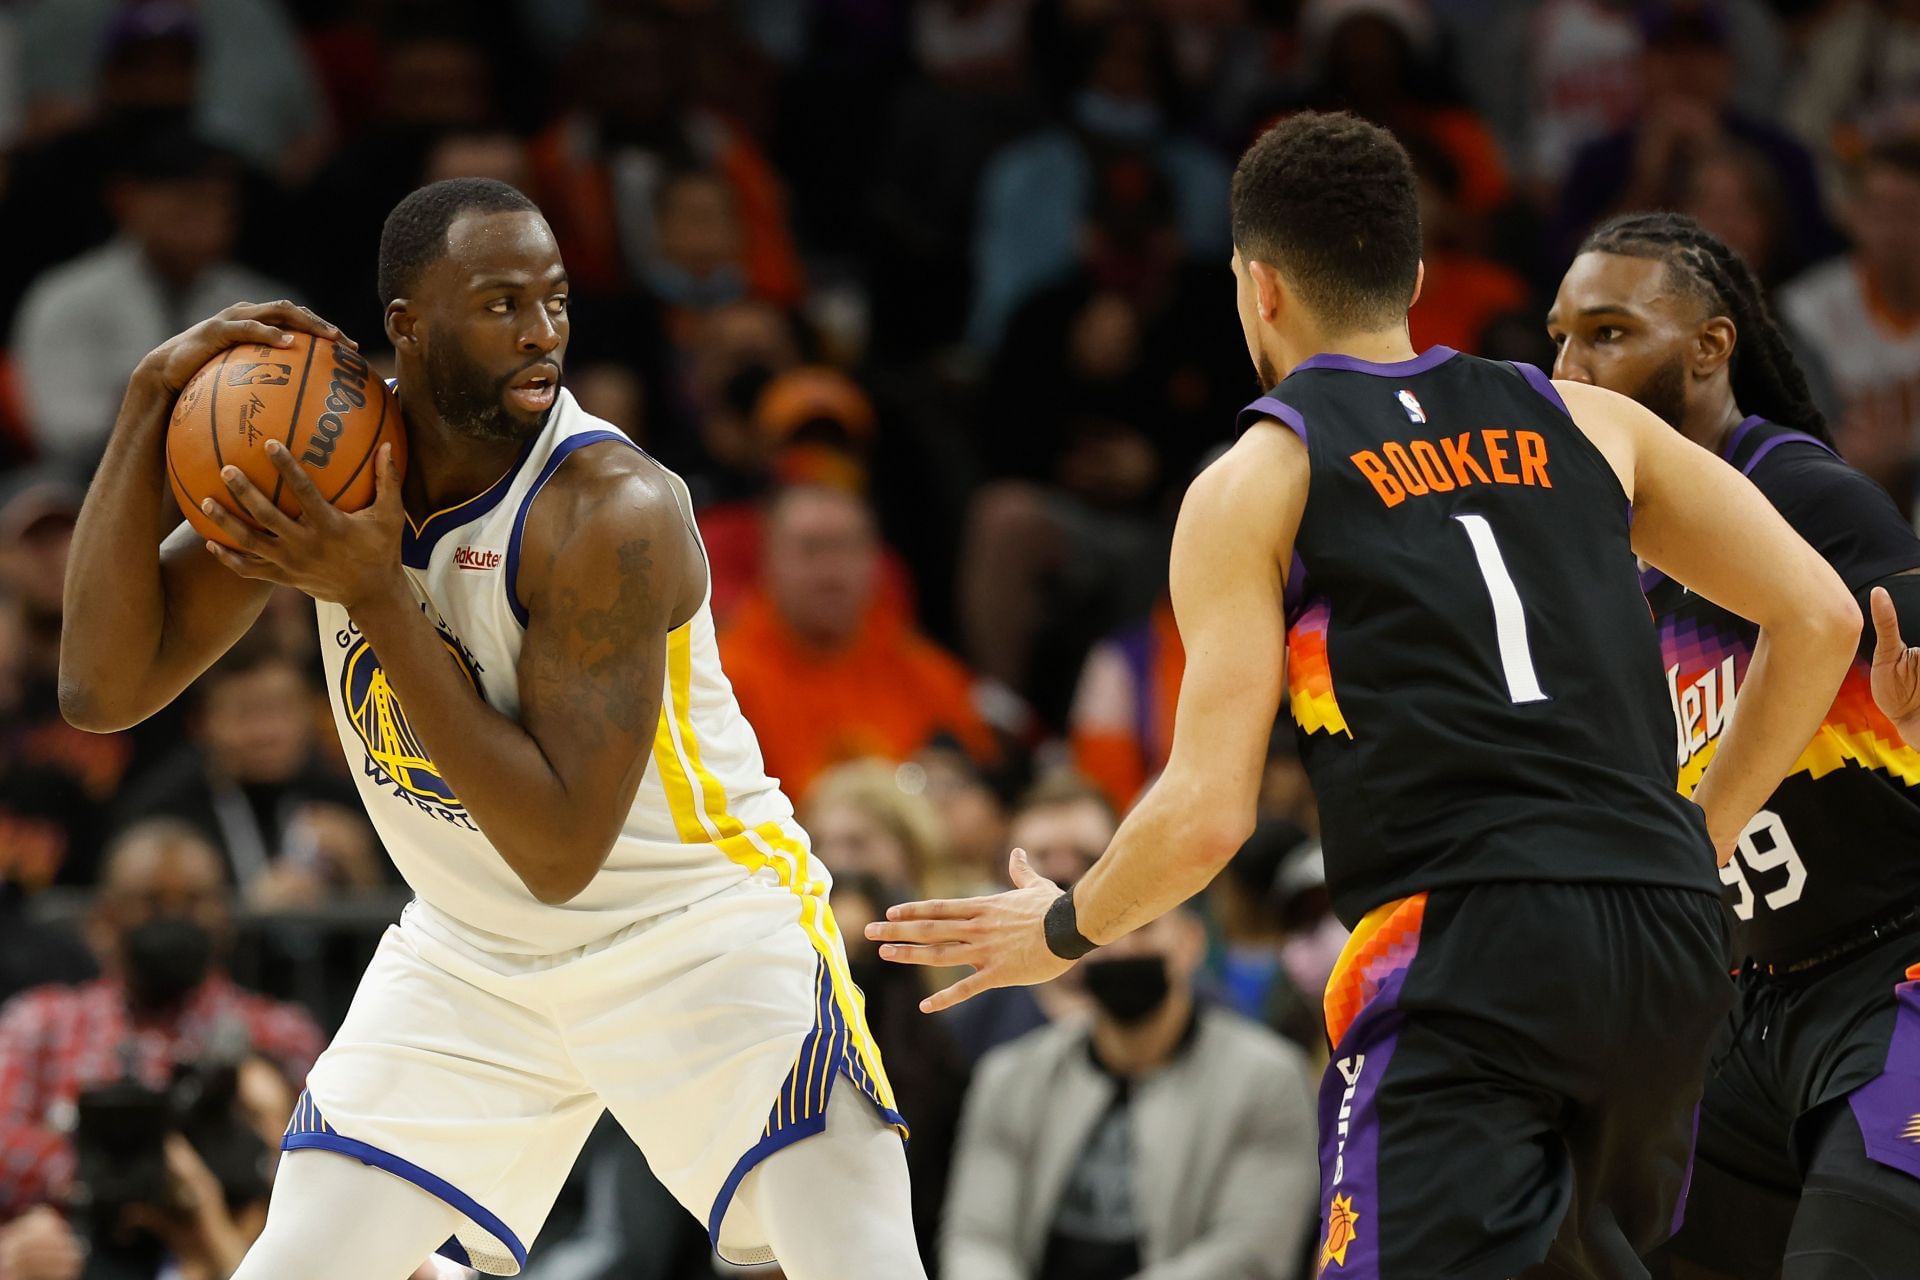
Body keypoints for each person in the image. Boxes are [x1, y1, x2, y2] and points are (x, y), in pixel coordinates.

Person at [871, 111, 1864, 1278]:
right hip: (1667, 938)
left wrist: (1060, 928)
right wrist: (1697, 838)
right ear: (1418, 275)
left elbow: (1206, 815)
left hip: (1466, 933)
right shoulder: (1589, 419)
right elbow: (1822, 617)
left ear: (1261, 287)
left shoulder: (1261, 474)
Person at [58, 178, 923, 1280]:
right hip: (473, 953)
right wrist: (147, 406)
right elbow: (101, 688)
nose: (541, 333)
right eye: (500, 303)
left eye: (555, 300)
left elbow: (561, 850)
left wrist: (374, 593)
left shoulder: (612, 508)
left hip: (698, 929)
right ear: (407, 326)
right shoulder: (329, 460)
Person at [1547, 211, 1920, 1278]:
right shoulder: (1596, 566)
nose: (1571, 369)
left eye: (1610, 334)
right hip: (1741, 1008)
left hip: (1894, 973)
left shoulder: (1804, 498)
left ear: (1711, 347)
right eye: (1561, 338)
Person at [941, 904, 1320, 1280]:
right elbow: (977, 1237)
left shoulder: (1269, 1079)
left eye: (1144, 928)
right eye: (1100, 933)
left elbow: (1249, 1253)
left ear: (1191, 941)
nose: (1121, 948)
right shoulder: (1010, 1076)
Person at [0, 820, 322, 1222]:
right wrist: (101, 1171)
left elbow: (321, 1164)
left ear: (222, 915)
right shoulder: (39, 1023)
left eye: (193, 902)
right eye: (151, 902)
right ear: (105, 917)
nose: (172, 917)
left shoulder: (281, 1034)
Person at [11, 125, 294, 469]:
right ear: (126, 199)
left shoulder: (265, 300)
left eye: (219, 200)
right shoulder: (65, 297)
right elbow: (63, 429)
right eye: (187, 198)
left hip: (236, 471)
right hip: (98, 477)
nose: (206, 215)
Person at [719, 483, 996, 802]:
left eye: (845, 548)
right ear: (768, 561)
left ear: (875, 560)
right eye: (810, 549)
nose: (829, 573)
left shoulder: (924, 672)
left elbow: (983, 796)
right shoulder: (724, 678)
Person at [1777, 137, 1920, 512]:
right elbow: (1804, 447)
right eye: (1879, 210)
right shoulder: (1809, 309)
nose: (1893, 230)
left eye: (1908, 211)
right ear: (1852, 213)